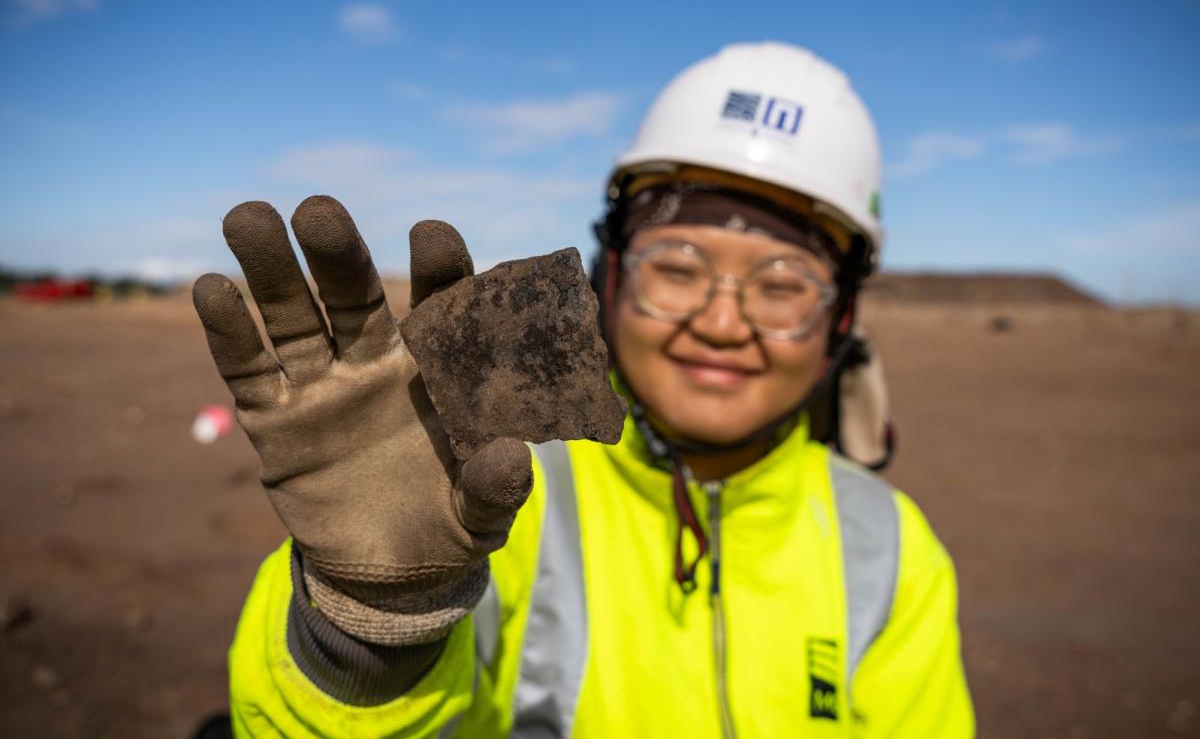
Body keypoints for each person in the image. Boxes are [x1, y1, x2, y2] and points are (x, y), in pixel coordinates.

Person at [192, 41, 974, 738]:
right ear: (608, 277)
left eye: (783, 284)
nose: (723, 322)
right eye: (678, 267)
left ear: (840, 320)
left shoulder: (891, 552)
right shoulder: (491, 499)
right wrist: (369, 631)